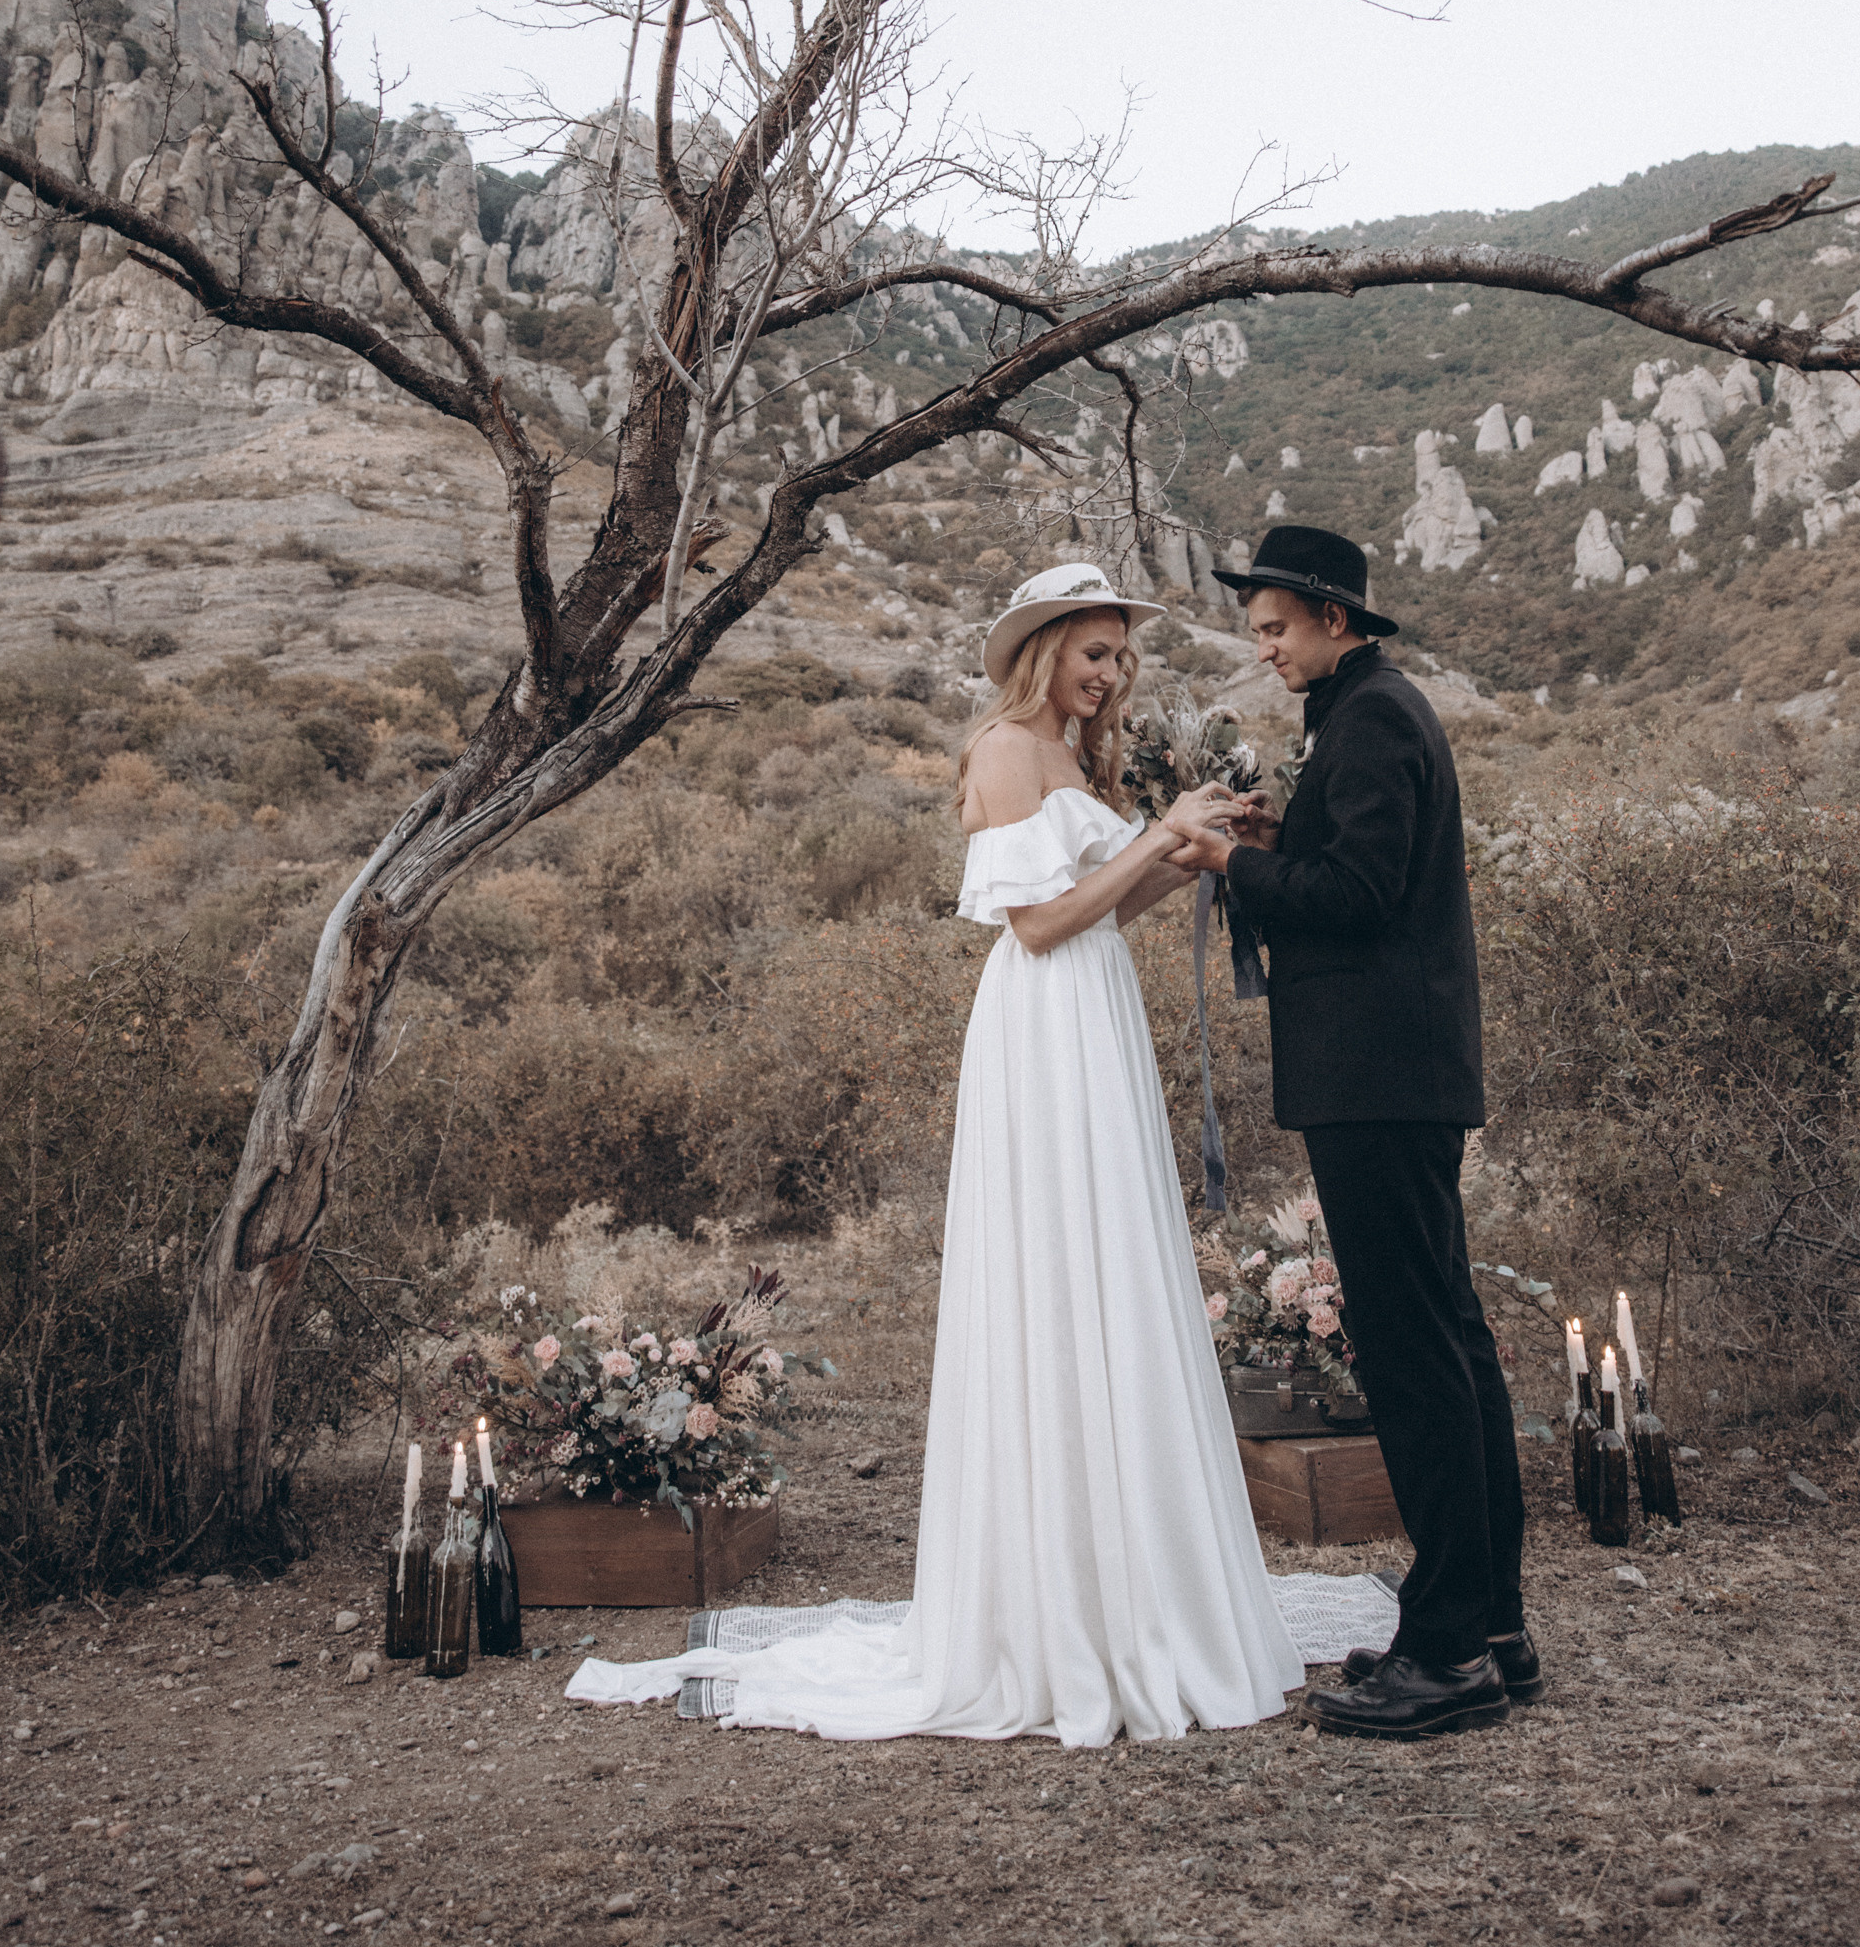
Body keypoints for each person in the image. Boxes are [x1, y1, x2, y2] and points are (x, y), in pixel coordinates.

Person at [568, 560, 1305, 1745]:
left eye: (1121, 656)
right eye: (1094, 653)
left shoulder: (1076, 758)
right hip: (1042, 1022)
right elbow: (1037, 923)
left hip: (1096, 1013)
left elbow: (1106, 909)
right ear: (1043, 652)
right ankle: (1049, 1601)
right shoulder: (1007, 749)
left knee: (1109, 1260)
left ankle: (1123, 1570)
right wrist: (1153, 837)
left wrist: (1191, 854)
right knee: (1053, 1267)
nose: (1112, 676)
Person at [1171, 524, 1537, 1743]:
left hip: (1377, 1075)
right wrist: (1284, 846)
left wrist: (1229, 859)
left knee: (1415, 1351)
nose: (1261, 646)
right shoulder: (1366, 712)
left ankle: (1445, 1656)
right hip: (1398, 1072)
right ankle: (1485, 1624)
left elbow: (1361, 900)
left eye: (1273, 626)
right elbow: (1354, 872)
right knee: (1448, 1339)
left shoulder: (1373, 716)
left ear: (1334, 616)